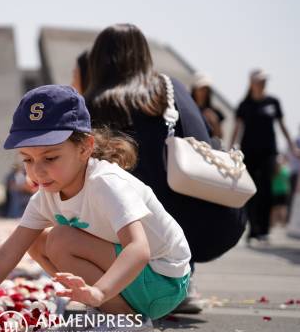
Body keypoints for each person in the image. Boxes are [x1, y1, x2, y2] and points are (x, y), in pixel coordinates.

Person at [0, 85, 191, 332]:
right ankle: (110, 308)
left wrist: (99, 292)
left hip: (164, 280)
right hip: (137, 279)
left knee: (60, 239)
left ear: (85, 148)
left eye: (51, 157)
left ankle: (129, 323)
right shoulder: (45, 196)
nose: (38, 170)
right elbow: (6, 256)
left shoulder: (106, 182)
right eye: (27, 159)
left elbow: (139, 249)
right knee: (35, 241)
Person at [85, 24, 246, 314]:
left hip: (138, 227)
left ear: (98, 60)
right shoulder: (170, 89)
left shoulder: (96, 103)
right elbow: (205, 139)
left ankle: (132, 289)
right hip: (211, 221)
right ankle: (182, 281)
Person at [230, 69, 300, 243]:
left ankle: (264, 230)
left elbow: (282, 126)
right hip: (249, 153)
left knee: (267, 190)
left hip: (269, 153)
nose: (263, 84)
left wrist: (292, 147)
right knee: (251, 190)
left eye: (264, 81)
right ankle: (253, 230)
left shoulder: (273, 102)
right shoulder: (244, 104)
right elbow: (237, 128)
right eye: (259, 81)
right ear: (252, 83)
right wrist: (230, 148)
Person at [190, 74, 224, 140]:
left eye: (206, 89)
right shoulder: (186, 108)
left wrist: (214, 122)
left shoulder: (214, 111)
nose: (204, 92)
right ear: (194, 89)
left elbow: (219, 137)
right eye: (201, 89)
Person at [270, 155, 291, 227]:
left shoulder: (273, 171)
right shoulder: (285, 171)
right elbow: (287, 182)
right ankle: (283, 223)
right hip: (283, 191)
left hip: (275, 191)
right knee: (283, 208)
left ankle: (273, 223)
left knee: (274, 208)